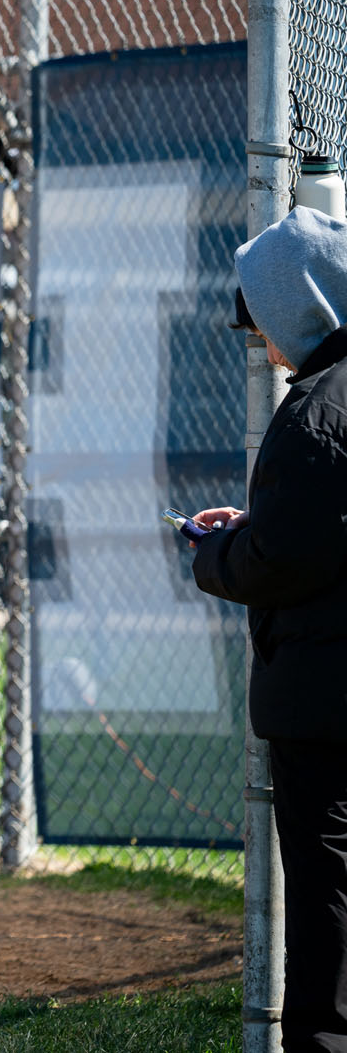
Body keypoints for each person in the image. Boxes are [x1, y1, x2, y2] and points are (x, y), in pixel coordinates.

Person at [191, 205, 347, 1053]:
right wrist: (260, 522)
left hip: (323, 709)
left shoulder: (317, 411)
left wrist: (216, 553)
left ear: (302, 305)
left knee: (326, 905)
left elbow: (281, 562)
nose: (264, 344)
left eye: (265, 322)